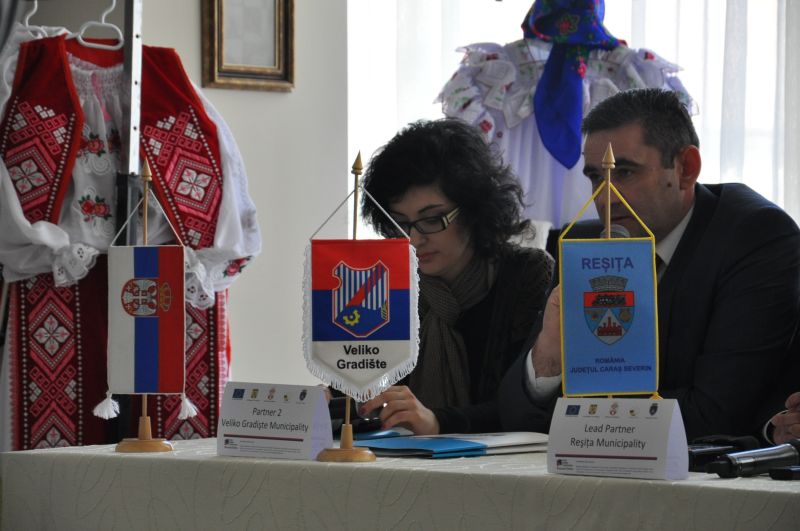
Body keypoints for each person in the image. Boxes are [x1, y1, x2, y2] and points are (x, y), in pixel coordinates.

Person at [498, 88, 800, 441]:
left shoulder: (753, 236)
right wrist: (548, 358)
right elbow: (514, 415)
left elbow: (716, 414)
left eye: (625, 172)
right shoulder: (585, 243)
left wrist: (578, 417)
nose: (605, 198)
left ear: (686, 169)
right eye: (595, 176)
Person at [357, 118, 553, 435]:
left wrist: (437, 421)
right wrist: (334, 398)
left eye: (432, 219)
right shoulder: (390, 282)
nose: (414, 239)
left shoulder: (525, 274)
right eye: (400, 224)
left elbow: (525, 406)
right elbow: (367, 382)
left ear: (474, 211)